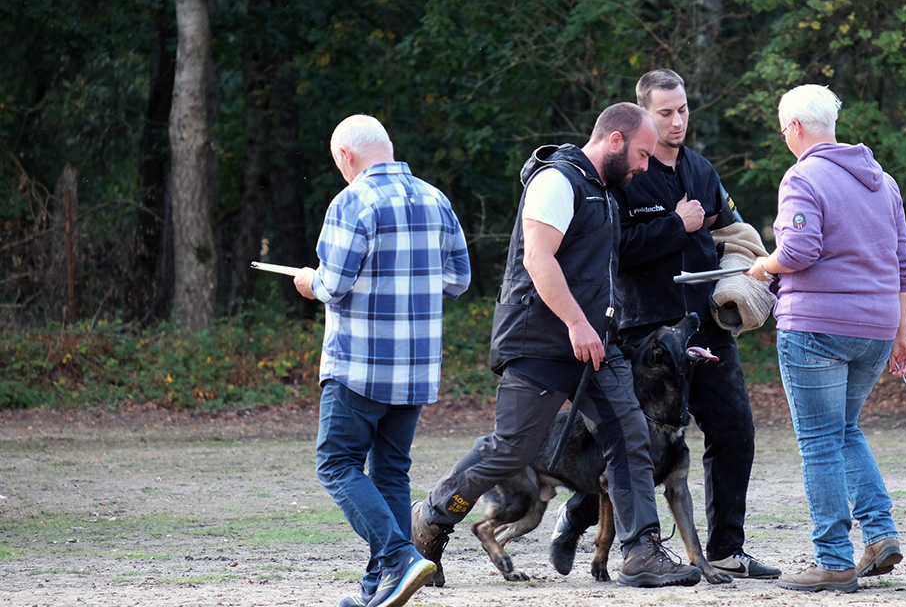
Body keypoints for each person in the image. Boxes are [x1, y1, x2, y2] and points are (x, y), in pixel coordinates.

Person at [411, 103, 702, 589]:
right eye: (642, 154)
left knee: (630, 436)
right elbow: (538, 258)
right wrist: (575, 322)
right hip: (542, 341)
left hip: (595, 344)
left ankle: (640, 552)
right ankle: (433, 518)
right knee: (511, 450)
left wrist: (598, 328)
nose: (646, 166)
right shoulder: (556, 181)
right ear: (614, 140)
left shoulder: (605, 193)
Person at [548, 69, 781, 580]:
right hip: (645, 332)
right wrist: (676, 224)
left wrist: (748, 270)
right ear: (643, 117)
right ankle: (577, 514)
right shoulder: (623, 174)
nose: (678, 122)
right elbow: (614, 247)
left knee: (734, 430)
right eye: (666, 113)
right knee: (636, 447)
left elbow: (728, 228)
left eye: (683, 110)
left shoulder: (701, 170)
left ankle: (726, 549)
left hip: (705, 325)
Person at [293, 114, 471, 607]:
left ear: (346, 157)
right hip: (416, 366)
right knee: (391, 471)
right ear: (387, 147)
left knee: (336, 463)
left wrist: (309, 281)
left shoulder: (351, 201)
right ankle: (380, 585)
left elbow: (333, 285)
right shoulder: (436, 199)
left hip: (360, 365)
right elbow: (459, 280)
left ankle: (397, 556)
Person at [746, 84, 906, 593]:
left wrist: (763, 265)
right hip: (878, 329)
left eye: (783, 131)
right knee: (844, 431)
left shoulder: (803, 175)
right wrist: (902, 332)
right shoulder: (882, 182)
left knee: (820, 441)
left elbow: (798, 250)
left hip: (816, 328)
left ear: (795, 127)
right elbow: (904, 262)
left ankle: (834, 559)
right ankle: (880, 534)